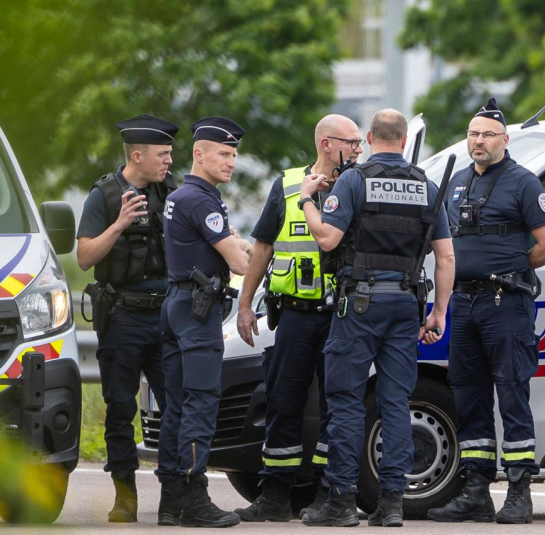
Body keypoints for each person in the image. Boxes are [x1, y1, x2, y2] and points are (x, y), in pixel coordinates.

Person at [296, 109, 456, 528]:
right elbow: (446, 257)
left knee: (346, 401)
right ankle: (391, 504)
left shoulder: (354, 180)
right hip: (405, 306)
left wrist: (306, 200)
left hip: (360, 305)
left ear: (368, 138)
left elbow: (327, 237)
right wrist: (439, 311)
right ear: (403, 140)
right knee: (396, 402)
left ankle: (342, 501)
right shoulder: (426, 186)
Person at [427, 98, 545, 525]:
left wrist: (510, 269)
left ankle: (519, 493)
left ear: (505, 139)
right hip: (463, 303)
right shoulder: (457, 182)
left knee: (512, 395)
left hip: (505, 303)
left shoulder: (524, 184)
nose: (479, 141)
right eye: (473, 134)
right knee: (469, 398)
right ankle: (475, 492)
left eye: (487, 134)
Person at [233, 114, 364, 522]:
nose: (359, 150)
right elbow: (262, 247)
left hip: (341, 314)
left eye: (361, 143)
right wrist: (245, 304)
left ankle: (327, 494)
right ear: (327, 144)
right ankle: (275, 495)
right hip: (294, 315)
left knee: (335, 407)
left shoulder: (359, 184)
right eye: (352, 142)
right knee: (282, 401)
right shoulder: (289, 184)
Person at [75, 114, 177, 523]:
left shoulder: (173, 192)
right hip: (123, 317)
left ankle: (174, 496)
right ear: (138, 156)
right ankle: (125, 496)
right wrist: (119, 224)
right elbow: (84, 257)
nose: (169, 161)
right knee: (120, 408)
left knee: (176, 406)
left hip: (167, 316)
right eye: (162, 154)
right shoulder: (103, 195)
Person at [156, 117, 253, 528]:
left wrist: (235, 243)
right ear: (199, 154)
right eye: (224, 154)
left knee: (177, 405)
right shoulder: (201, 200)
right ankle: (194, 499)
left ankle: (170, 502)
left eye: (234, 155)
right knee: (201, 402)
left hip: (178, 304)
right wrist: (245, 248)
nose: (231, 162)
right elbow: (240, 264)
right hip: (198, 311)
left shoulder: (183, 196)